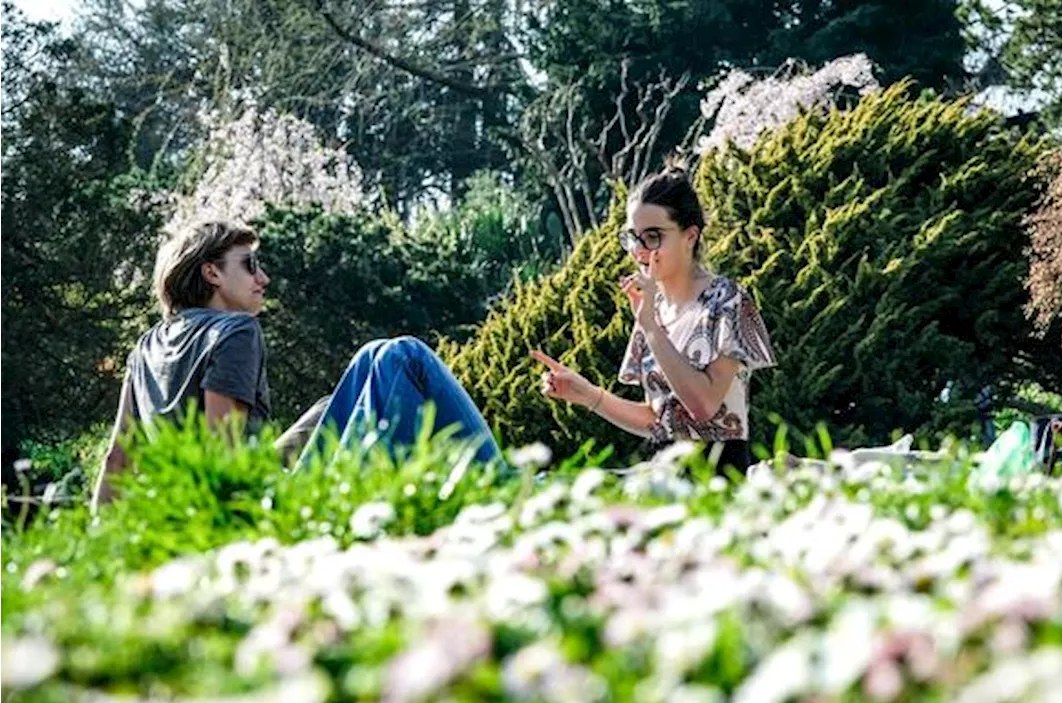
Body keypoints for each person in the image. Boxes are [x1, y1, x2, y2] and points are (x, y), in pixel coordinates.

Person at [91, 220, 501, 511]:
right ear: (211, 272)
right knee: (403, 355)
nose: (263, 277)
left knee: (367, 364)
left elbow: (118, 457)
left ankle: (465, 482)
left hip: (191, 506)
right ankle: (504, 486)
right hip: (251, 511)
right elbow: (222, 452)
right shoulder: (235, 331)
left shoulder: (145, 346)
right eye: (249, 264)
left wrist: (98, 542)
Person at [531, 164, 775, 474]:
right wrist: (586, 394)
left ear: (690, 236)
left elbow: (703, 408)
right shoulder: (652, 310)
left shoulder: (728, 302)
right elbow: (658, 420)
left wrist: (649, 325)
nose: (639, 251)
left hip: (717, 476)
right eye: (633, 237)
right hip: (663, 473)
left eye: (653, 237)